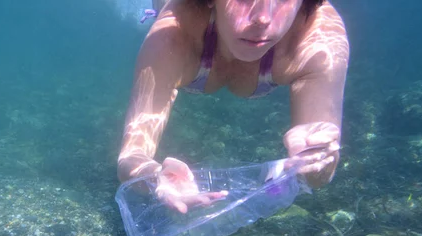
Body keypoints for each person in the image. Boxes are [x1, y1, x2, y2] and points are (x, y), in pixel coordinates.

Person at [117, 0, 349, 214]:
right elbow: (131, 156)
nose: (263, 18)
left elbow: (320, 177)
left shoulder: (320, 40)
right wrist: (155, 178)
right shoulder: (173, 37)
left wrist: (315, 160)